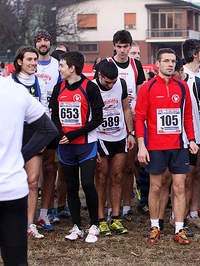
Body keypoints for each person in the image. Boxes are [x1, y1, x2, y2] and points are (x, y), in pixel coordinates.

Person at [134, 48, 199, 244]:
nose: (170, 64)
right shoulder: (147, 88)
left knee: (179, 187)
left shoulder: (182, 87)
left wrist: (192, 139)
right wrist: (141, 146)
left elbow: (187, 115)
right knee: (155, 187)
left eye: (173, 61)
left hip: (178, 145)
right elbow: (139, 118)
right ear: (157, 64)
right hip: (155, 146)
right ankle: (154, 226)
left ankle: (179, 228)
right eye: (166, 61)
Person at [0, 76, 57, 266]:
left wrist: (20, 156)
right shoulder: (15, 90)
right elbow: (48, 129)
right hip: (13, 190)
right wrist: (19, 157)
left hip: (13, 191)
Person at [49, 51, 104, 243]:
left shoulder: (90, 88)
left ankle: (94, 225)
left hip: (86, 144)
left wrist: (72, 134)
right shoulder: (58, 88)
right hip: (66, 146)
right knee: (71, 185)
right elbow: (54, 115)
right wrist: (60, 134)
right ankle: (77, 226)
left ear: (72, 68)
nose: (59, 68)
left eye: (62, 65)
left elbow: (97, 119)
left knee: (88, 183)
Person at [105, 30, 146, 222]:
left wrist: (138, 113)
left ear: (130, 47)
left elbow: (141, 93)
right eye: (119, 47)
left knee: (129, 167)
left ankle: (127, 208)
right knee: (108, 170)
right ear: (114, 46)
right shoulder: (107, 64)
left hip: (131, 120)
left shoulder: (136, 65)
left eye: (125, 47)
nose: (122, 50)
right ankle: (109, 207)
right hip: (110, 121)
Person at [9, 46, 49, 238]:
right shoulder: (8, 83)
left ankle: (29, 224)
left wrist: (43, 136)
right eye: (29, 60)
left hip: (33, 133)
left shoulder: (40, 83)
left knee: (32, 181)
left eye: (35, 60)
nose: (34, 63)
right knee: (9, 180)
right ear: (19, 62)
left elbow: (44, 111)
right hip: (13, 133)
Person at [93, 62, 135, 236]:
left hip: (119, 136)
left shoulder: (121, 84)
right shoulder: (91, 87)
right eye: (107, 82)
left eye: (113, 82)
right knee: (101, 178)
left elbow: (126, 108)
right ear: (99, 75)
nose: (111, 85)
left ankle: (116, 217)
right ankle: (100, 219)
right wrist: (91, 142)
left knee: (117, 176)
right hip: (100, 136)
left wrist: (131, 132)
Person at [34, 29, 69, 226]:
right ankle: (24, 213)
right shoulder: (30, 63)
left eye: (46, 39)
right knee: (29, 172)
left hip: (51, 124)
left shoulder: (57, 66)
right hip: (31, 125)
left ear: (50, 43)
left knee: (49, 169)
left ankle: (44, 214)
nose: (43, 43)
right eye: (39, 40)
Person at [180, 39, 200, 233]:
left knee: (196, 173)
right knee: (180, 176)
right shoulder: (180, 74)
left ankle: (192, 212)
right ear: (194, 54)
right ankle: (178, 214)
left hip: (196, 134)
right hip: (177, 134)